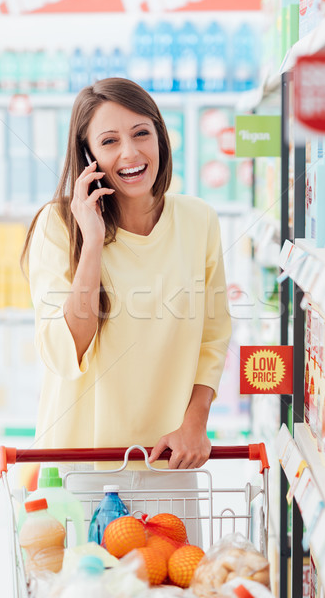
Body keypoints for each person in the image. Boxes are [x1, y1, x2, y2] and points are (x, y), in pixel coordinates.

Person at [21, 78, 231, 487]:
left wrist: (195, 424)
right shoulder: (59, 226)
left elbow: (213, 336)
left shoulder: (198, 220)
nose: (131, 153)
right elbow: (65, 351)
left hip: (168, 461)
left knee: (176, 556)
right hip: (80, 468)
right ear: (89, 155)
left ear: (160, 138)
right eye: (110, 141)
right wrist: (93, 241)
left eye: (141, 134)